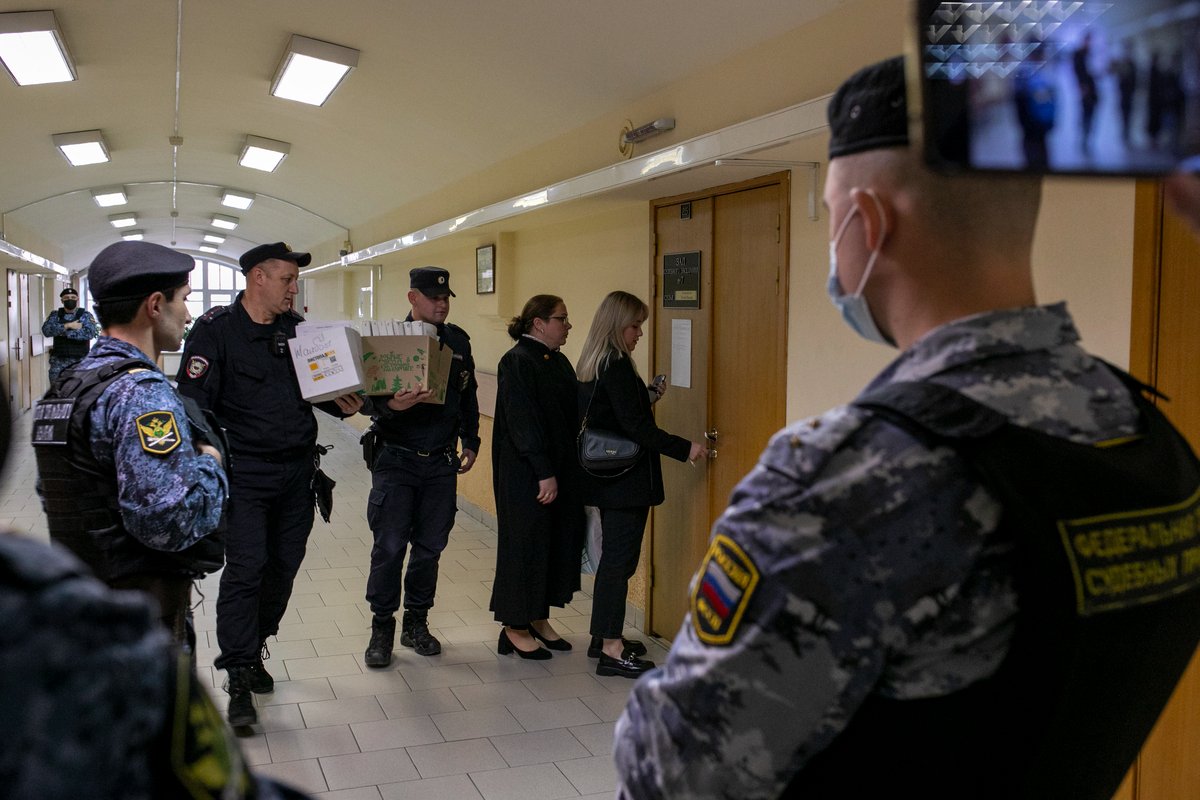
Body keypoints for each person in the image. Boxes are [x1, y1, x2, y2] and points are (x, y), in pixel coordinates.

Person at [614, 57, 1200, 799]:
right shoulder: (1141, 428)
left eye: (830, 216)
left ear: (868, 223)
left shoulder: (838, 479)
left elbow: (667, 774)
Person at [176, 241, 363, 727]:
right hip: (245, 475)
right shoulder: (215, 332)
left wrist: (351, 402)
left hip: (297, 472)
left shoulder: (299, 333)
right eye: (286, 280)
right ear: (257, 277)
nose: (293, 288)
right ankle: (237, 672)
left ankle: (254, 643)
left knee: (284, 565)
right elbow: (193, 406)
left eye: (294, 281)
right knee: (245, 570)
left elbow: (324, 394)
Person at [32, 240, 227, 647]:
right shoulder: (141, 393)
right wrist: (211, 463)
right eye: (184, 300)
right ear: (155, 305)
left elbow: (58, 492)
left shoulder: (66, 387)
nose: (188, 314)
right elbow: (168, 524)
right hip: (139, 626)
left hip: (79, 612)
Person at [576, 290, 706, 679]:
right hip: (624, 482)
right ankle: (612, 650)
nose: (639, 334)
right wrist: (686, 448)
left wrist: (646, 394)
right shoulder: (616, 365)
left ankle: (604, 637)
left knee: (614, 562)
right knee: (619, 563)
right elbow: (636, 428)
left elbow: (615, 415)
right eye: (635, 326)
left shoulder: (596, 364)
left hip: (607, 479)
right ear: (618, 326)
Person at [360, 266, 480, 667]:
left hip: (441, 463)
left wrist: (473, 439)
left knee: (430, 547)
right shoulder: (389, 342)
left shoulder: (457, 342)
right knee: (390, 546)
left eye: (446, 298)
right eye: (433, 297)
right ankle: (381, 628)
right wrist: (391, 405)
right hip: (397, 458)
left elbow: (468, 395)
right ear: (413, 298)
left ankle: (416, 622)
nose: (441, 303)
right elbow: (364, 399)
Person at [490, 294, 585, 659]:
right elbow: (522, 421)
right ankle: (514, 626)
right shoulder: (516, 361)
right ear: (539, 323)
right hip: (527, 475)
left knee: (551, 543)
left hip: (557, 470)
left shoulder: (558, 362)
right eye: (562, 318)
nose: (567, 325)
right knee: (524, 545)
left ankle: (537, 616)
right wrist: (543, 472)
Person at [41, 285, 99, 380]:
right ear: (62, 300)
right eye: (66, 298)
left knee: (79, 392)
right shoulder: (55, 315)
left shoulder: (86, 316)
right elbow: (46, 331)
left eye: (73, 297)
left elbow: (90, 333)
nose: (70, 299)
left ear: (77, 299)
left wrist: (65, 333)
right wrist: (67, 326)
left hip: (80, 363)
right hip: (59, 363)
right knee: (57, 392)